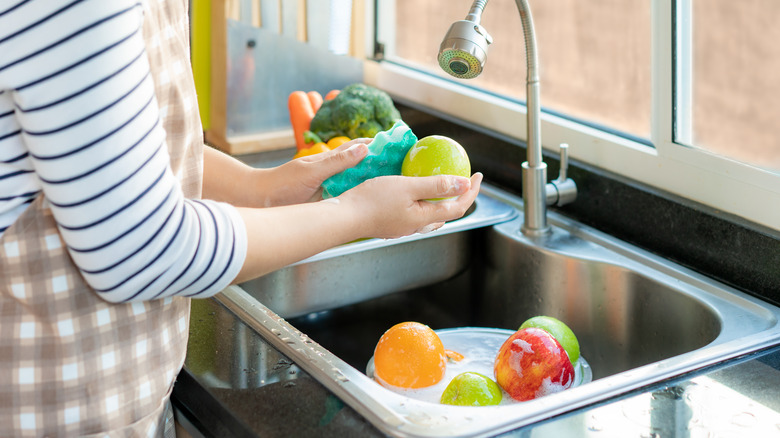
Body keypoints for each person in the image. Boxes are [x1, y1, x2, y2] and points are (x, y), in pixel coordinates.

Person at [0, 0, 481, 436]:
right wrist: (355, 215)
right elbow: (141, 251)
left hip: (115, 397)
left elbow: (121, 153)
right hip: (45, 409)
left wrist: (262, 189)